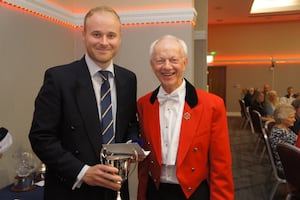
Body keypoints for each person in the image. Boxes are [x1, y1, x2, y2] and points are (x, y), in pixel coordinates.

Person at [28, 6, 139, 200]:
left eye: (111, 35)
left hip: (115, 189)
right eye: (96, 34)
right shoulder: (59, 78)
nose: (104, 42)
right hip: (72, 190)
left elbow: (130, 124)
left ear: (120, 38)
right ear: (84, 35)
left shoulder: (128, 79)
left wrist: (130, 148)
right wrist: (83, 172)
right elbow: (41, 137)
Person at [137, 35, 234, 200]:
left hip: (194, 192)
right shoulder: (144, 104)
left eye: (174, 60)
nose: (167, 67)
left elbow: (221, 165)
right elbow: (145, 162)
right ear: (152, 64)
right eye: (160, 60)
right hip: (156, 191)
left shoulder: (212, 105)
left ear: (185, 62)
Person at [269, 104, 298, 175]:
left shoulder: (284, 128)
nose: (294, 120)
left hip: (292, 159)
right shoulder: (279, 133)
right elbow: (287, 154)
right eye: (291, 117)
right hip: (287, 165)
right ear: (282, 119)